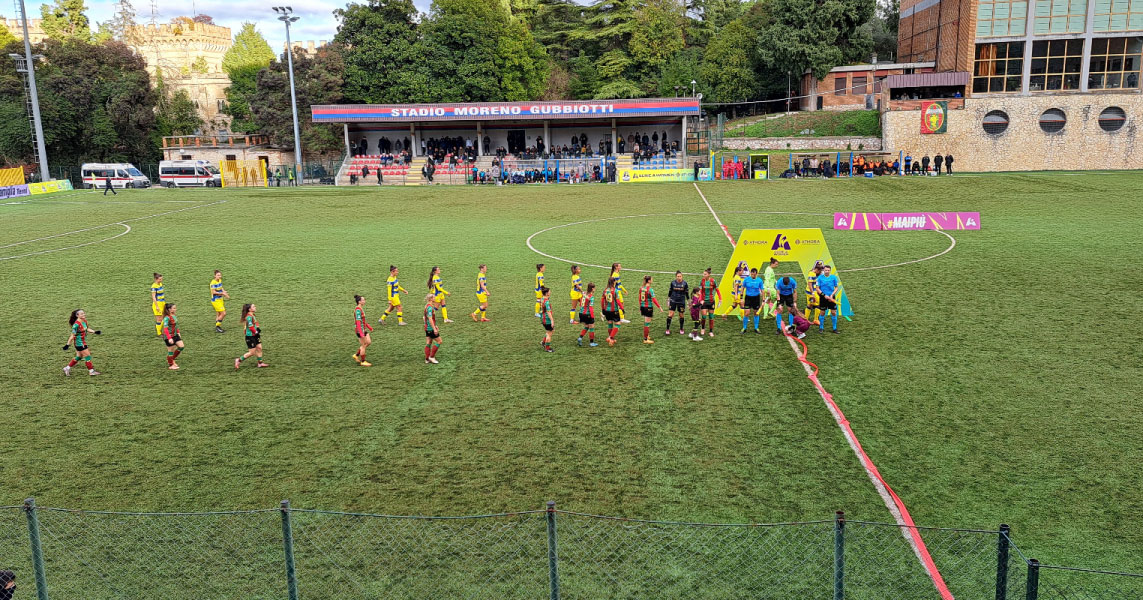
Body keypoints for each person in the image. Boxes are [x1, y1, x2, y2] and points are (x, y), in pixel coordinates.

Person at [63, 309, 101, 376]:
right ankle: (91, 371)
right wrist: (67, 345)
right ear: (77, 315)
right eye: (82, 314)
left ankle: (67, 368)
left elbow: (87, 329)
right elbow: (72, 336)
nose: (84, 315)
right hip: (79, 343)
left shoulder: (84, 321)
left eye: (84, 313)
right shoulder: (76, 325)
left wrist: (95, 332)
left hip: (83, 342)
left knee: (79, 356)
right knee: (88, 356)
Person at [234, 303, 267, 369]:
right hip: (250, 336)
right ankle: (238, 360)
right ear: (249, 309)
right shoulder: (248, 317)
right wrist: (256, 331)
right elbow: (251, 327)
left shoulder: (252, 315)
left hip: (255, 335)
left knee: (259, 348)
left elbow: (256, 322)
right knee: (252, 352)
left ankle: (260, 363)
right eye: (253, 306)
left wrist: (257, 327)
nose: (255, 307)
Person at [815, 264, 842, 334]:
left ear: (830, 271)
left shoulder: (833, 277)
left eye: (828, 270)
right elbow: (817, 288)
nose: (827, 271)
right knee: (822, 312)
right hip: (823, 298)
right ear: (823, 270)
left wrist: (832, 295)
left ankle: (834, 328)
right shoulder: (820, 278)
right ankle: (821, 327)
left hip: (831, 297)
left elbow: (836, 287)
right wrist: (824, 295)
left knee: (833, 312)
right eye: (826, 270)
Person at [637, 275, 663, 344]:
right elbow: (654, 300)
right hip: (648, 307)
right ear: (648, 281)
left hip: (642, 307)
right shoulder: (650, 290)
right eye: (651, 279)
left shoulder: (641, 288)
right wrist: (659, 307)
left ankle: (647, 335)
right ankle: (645, 339)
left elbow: (639, 299)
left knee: (646, 322)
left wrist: (640, 307)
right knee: (647, 323)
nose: (652, 280)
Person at [160, 303, 185, 370]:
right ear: (169, 309)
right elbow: (165, 329)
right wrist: (169, 338)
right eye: (174, 308)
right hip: (169, 336)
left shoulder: (173, 315)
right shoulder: (166, 318)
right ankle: (171, 365)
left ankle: (171, 359)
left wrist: (178, 332)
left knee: (181, 346)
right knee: (171, 350)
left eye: (175, 308)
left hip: (175, 335)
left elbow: (175, 325)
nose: (175, 309)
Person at [698, 267, 721, 338]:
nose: (703, 275)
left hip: (711, 301)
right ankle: (703, 328)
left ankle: (711, 331)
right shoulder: (702, 281)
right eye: (703, 274)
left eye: (705, 274)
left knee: (711, 317)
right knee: (704, 316)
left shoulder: (713, 281)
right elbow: (700, 291)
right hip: (704, 301)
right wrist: (700, 299)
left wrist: (720, 299)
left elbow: (717, 290)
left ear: (708, 275)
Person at [741, 267, 765, 333]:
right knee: (747, 313)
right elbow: (742, 288)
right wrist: (741, 297)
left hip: (756, 298)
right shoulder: (746, 280)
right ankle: (744, 328)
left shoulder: (759, 281)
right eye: (752, 274)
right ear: (750, 273)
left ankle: (756, 328)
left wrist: (763, 300)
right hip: (748, 298)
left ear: (756, 274)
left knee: (756, 313)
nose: (753, 275)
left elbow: (762, 290)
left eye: (754, 274)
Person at [601, 277, 624, 346]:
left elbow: (602, 301)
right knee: (618, 324)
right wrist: (622, 308)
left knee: (610, 323)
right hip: (614, 310)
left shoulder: (605, 290)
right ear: (614, 282)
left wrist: (603, 309)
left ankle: (612, 339)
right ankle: (610, 337)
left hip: (607, 310)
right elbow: (618, 301)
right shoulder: (615, 291)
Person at [665, 271, 688, 336]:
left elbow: (686, 293)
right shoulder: (672, 283)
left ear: (682, 276)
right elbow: (670, 291)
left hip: (681, 301)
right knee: (670, 314)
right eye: (678, 276)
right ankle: (667, 329)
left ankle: (681, 328)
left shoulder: (685, 283)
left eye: (680, 276)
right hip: (673, 300)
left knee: (681, 315)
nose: (679, 277)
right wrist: (668, 299)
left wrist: (688, 301)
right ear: (676, 277)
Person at [352, 295, 373, 366]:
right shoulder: (358, 310)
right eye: (363, 300)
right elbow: (358, 322)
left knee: (368, 342)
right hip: (359, 330)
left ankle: (356, 355)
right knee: (364, 345)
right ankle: (363, 361)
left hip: (363, 329)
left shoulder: (360, 308)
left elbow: (362, 320)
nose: (364, 301)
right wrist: (361, 333)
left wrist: (368, 326)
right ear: (359, 302)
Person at [576, 282, 598, 347]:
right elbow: (590, 307)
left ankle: (580, 338)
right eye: (594, 288)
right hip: (587, 314)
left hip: (581, 313)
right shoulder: (591, 297)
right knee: (591, 327)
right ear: (592, 289)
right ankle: (591, 343)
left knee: (586, 326)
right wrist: (592, 316)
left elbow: (579, 301)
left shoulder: (584, 294)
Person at [423, 294, 442, 364]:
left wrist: (434, 325)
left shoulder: (426, 306)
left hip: (426, 328)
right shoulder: (430, 308)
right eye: (434, 297)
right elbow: (430, 319)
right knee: (439, 341)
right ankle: (432, 357)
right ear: (431, 299)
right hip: (430, 328)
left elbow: (424, 317)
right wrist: (434, 328)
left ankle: (427, 359)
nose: (435, 298)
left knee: (428, 342)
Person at [805, 261, 824, 326]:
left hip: (809, 292)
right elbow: (810, 284)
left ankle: (805, 319)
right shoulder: (812, 274)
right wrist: (813, 293)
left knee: (809, 305)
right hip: (812, 292)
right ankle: (815, 319)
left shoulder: (813, 273)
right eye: (820, 270)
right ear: (817, 269)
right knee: (818, 304)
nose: (821, 272)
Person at [539, 286, 555, 352]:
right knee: (549, 333)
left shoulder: (542, 299)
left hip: (542, 318)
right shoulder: (547, 302)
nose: (550, 292)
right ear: (546, 293)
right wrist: (552, 320)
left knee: (550, 331)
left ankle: (543, 342)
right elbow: (548, 311)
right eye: (549, 291)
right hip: (547, 319)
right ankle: (547, 348)